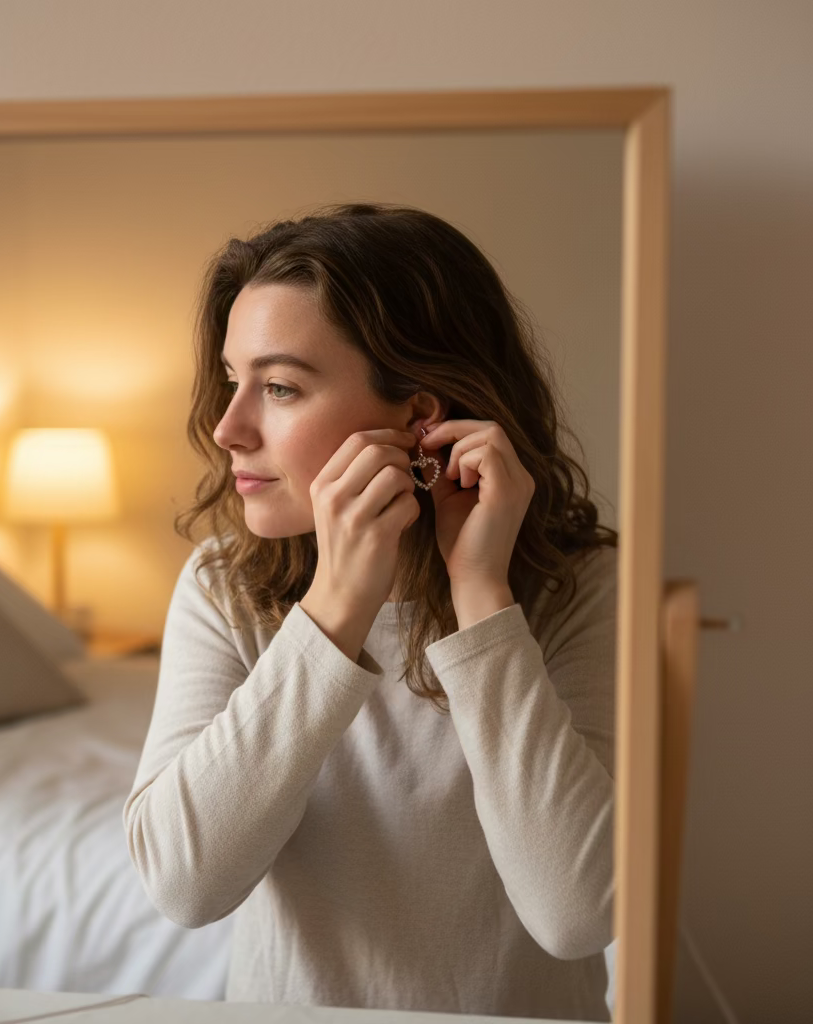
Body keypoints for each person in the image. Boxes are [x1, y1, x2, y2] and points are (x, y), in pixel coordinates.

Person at [123, 201, 619, 1021]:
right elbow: (184, 886)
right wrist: (335, 609)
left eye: (278, 386)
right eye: (231, 380)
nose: (228, 427)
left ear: (420, 419)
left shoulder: (582, 588)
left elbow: (575, 912)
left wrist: (483, 597)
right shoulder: (224, 587)